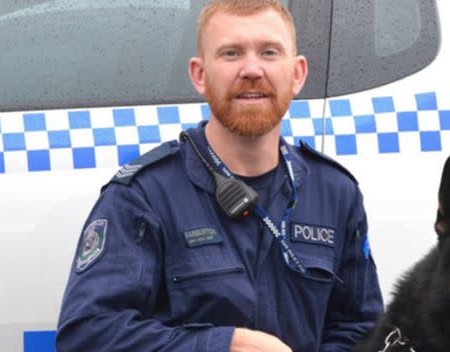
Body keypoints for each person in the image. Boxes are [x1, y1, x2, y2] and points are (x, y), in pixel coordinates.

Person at [56, 0, 383, 351]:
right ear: (199, 74)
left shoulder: (335, 192)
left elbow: (361, 329)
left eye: (270, 52)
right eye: (231, 54)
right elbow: (88, 334)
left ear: (298, 73)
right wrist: (223, 346)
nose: (252, 69)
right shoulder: (144, 196)